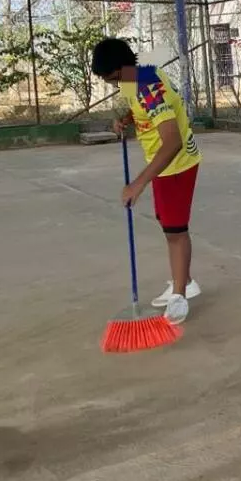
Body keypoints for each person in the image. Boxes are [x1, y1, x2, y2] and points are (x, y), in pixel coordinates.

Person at [91, 38, 202, 325]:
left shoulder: (147, 87)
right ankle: (185, 281)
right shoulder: (135, 75)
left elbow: (173, 142)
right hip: (162, 165)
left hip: (175, 165)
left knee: (176, 231)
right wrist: (127, 119)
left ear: (120, 68)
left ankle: (180, 296)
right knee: (168, 225)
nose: (112, 84)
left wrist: (138, 183)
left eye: (111, 78)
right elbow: (142, 109)